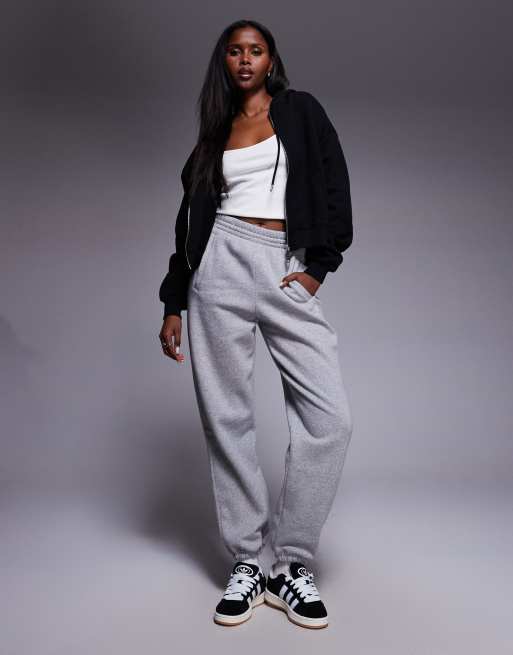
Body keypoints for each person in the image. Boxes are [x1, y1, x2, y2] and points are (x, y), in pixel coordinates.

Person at [158, 19, 354, 629]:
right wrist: (174, 301)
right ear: (224, 62)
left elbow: (336, 188)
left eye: (256, 50)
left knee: (330, 418)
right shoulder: (215, 134)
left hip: (282, 262)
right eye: (235, 51)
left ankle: (291, 563)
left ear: (271, 59)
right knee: (227, 416)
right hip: (217, 267)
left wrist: (318, 267)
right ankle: (247, 560)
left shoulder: (301, 112)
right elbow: (188, 224)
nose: (245, 59)